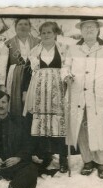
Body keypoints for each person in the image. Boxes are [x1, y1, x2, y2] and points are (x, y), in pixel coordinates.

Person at [62, 19, 103, 179]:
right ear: (81, 31)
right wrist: (66, 76)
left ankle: (102, 163)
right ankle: (87, 161)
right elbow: (65, 67)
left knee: (102, 128)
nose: (89, 29)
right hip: (78, 94)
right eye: (85, 27)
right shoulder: (73, 48)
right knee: (83, 128)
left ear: (98, 30)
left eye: (92, 27)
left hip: (101, 96)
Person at [22, 21, 69, 174]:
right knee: (42, 124)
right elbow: (27, 72)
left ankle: (63, 158)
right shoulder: (35, 51)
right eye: (43, 33)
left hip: (58, 89)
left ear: (55, 33)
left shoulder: (63, 49)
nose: (46, 35)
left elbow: (68, 67)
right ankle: (45, 157)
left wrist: (68, 77)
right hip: (39, 90)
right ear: (40, 35)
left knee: (58, 123)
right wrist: (24, 92)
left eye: (49, 32)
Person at [0, 18, 40, 117]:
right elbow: (2, 64)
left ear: (30, 27)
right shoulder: (8, 44)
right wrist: (2, 84)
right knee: (17, 104)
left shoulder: (38, 42)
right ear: (15, 27)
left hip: (33, 75)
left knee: (33, 103)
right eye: (20, 24)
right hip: (15, 77)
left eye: (26, 24)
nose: (23, 26)